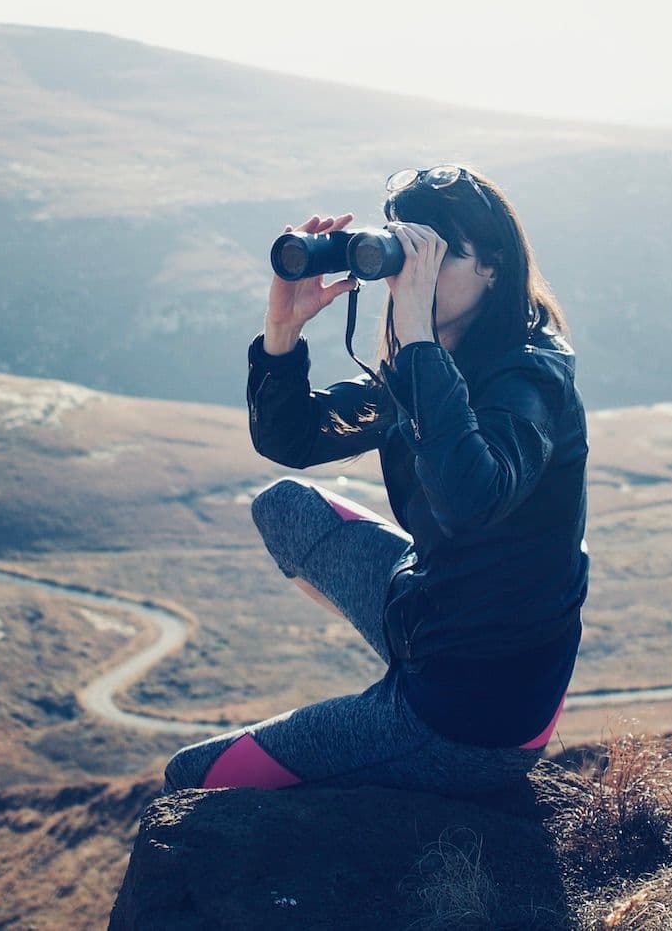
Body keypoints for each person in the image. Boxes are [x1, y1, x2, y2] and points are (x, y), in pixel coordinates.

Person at [161, 164, 590, 796]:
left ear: (494, 266)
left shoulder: (527, 381)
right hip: (435, 612)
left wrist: (416, 336)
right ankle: (403, 677)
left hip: (477, 711)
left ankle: (400, 722)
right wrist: (283, 332)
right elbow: (294, 440)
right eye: (404, 256)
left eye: (437, 259)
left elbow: (472, 499)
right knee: (284, 508)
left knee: (192, 777)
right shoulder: (440, 358)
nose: (410, 279)